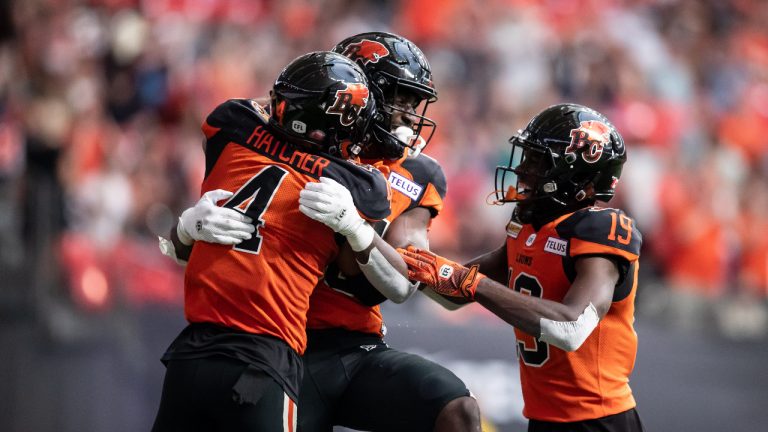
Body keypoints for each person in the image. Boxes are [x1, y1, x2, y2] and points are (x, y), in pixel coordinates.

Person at [168, 32, 481, 432]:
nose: (409, 117)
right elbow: (212, 242)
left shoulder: (416, 173)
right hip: (273, 339)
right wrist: (186, 228)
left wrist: (357, 229)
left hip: (350, 344)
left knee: (457, 409)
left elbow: (405, 280)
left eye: (413, 104)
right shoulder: (282, 132)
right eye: (400, 100)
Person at [152, 51, 392, 432]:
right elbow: (371, 281)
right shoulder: (350, 185)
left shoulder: (233, 127)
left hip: (191, 353)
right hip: (263, 358)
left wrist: (184, 229)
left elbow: (186, 252)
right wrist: (355, 226)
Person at [401, 103, 645, 432]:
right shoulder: (529, 225)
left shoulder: (601, 229)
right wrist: (375, 245)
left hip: (599, 420)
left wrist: (470, 282)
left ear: (574, 175)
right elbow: (453, 294)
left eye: (536, 160)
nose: (520, 169)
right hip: (544, 418)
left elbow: (572, 327)